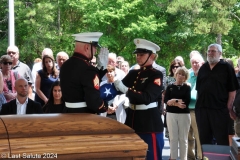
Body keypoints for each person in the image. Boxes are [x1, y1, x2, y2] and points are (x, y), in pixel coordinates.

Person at [113, 38, 164, 160]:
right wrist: (108, 70)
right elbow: (117, 89)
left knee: (151, 157)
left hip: (149, 123)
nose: (138, 57)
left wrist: (126, 90)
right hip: (132, 120)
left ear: (152, 56)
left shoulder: (156, 74)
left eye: (141, 54)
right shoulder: (133, 73)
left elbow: (147, 97)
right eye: (137, 54)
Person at [195, 43, 239, 146]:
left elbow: (232, 90)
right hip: (202, 110)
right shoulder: (203, 68)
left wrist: (229, 107)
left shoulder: (227, 68)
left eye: (213, 51)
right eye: (209, 51)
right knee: (204, 140)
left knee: (221, 140)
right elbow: (199, 90)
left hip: (220, 110)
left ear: (220, 53)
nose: (210, 53)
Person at [60, 32, 112, 114]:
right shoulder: (88, 69)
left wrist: (100, 68)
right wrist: (105, 106)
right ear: (87, 47)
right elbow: (94, 103)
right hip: (83, 116)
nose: (95, 51)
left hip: (67, 112)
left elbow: (82, 80)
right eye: (94, 47)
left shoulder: (65, 65)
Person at [164, 66, 191, 160]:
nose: (180, 76)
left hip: (184, 115)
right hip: (171, 114)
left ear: (185, 77)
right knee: (173, 138)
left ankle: (184, 158)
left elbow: (186, 101)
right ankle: (173, 158)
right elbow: (166, 100)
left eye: (183, 75)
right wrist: (176, 102)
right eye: (179, 74)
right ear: (176, 74)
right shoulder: (170, 87)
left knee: (183, 139)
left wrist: (172, 102)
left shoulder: (187, 87)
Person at [187, 54, 204, 160]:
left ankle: (201, 157)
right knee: (188, 137)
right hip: (186, 110)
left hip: (199, 110)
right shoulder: (188, 75)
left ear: (202, 63)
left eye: (196, 62)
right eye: (193, 63)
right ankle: (190, 157)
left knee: (199, 136)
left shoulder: (205, 75)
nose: (194, 65)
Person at [163, 60, 182, 139]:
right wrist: (163, 106)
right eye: (173, 67)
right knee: (171, 135)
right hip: (170, 108)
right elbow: (164, 94)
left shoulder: (184, 79)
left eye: (177, 66)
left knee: (182, 135)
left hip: (182, 109)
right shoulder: (167, 79)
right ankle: (172, 151)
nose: (175, 68)